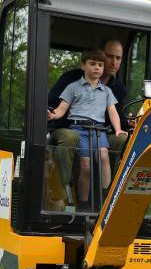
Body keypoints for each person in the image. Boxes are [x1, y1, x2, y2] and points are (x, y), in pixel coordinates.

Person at [47, 49, 127, 210]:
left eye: (100, 65)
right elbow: (62, 109)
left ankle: (106, 197)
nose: (97, 68)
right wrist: (52, 115)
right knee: (86, 166)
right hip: (79, 128)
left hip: (98, 130)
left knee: (104, 157)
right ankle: (83, 202)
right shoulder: (73, 87)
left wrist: (118, 130)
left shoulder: (106, 91)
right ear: (83, 66)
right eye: (92, 64)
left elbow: (113, 112)